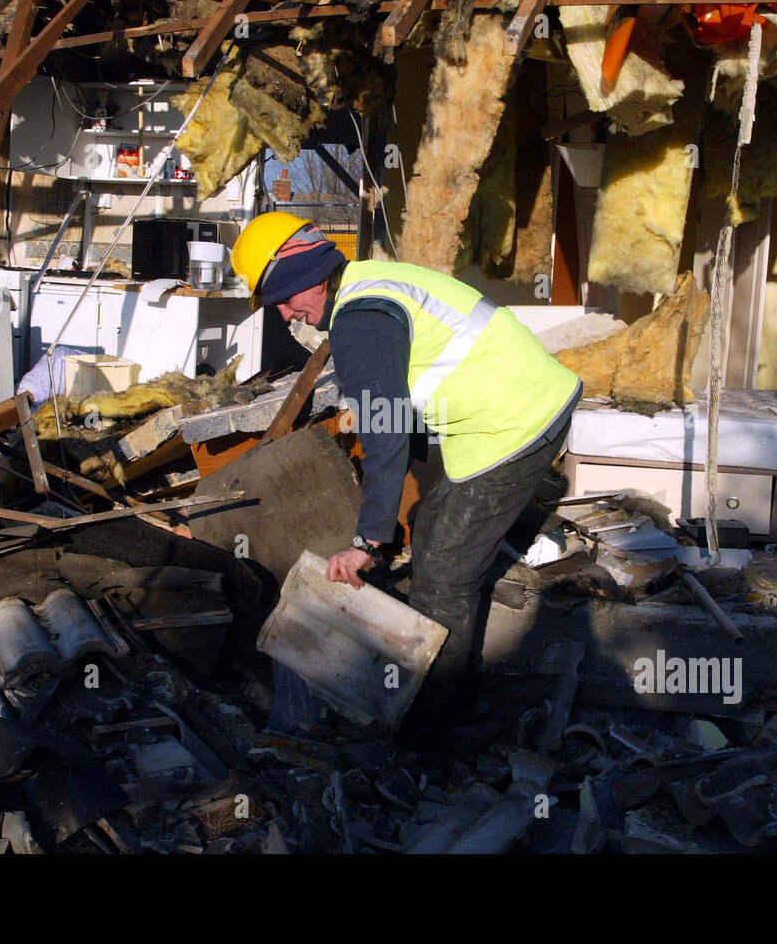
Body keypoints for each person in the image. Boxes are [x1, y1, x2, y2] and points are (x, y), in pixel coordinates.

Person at [230, 212, 582, 715]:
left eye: (283, 300)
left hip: (515, 423)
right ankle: (437, 680)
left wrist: (366, 541)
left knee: (442, 578)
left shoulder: (359, 320)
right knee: (432, 526)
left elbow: (385, 428)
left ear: (303, 273)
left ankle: (437, 729)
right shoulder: (365, 283)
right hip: (509, 410)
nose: (286, 316)